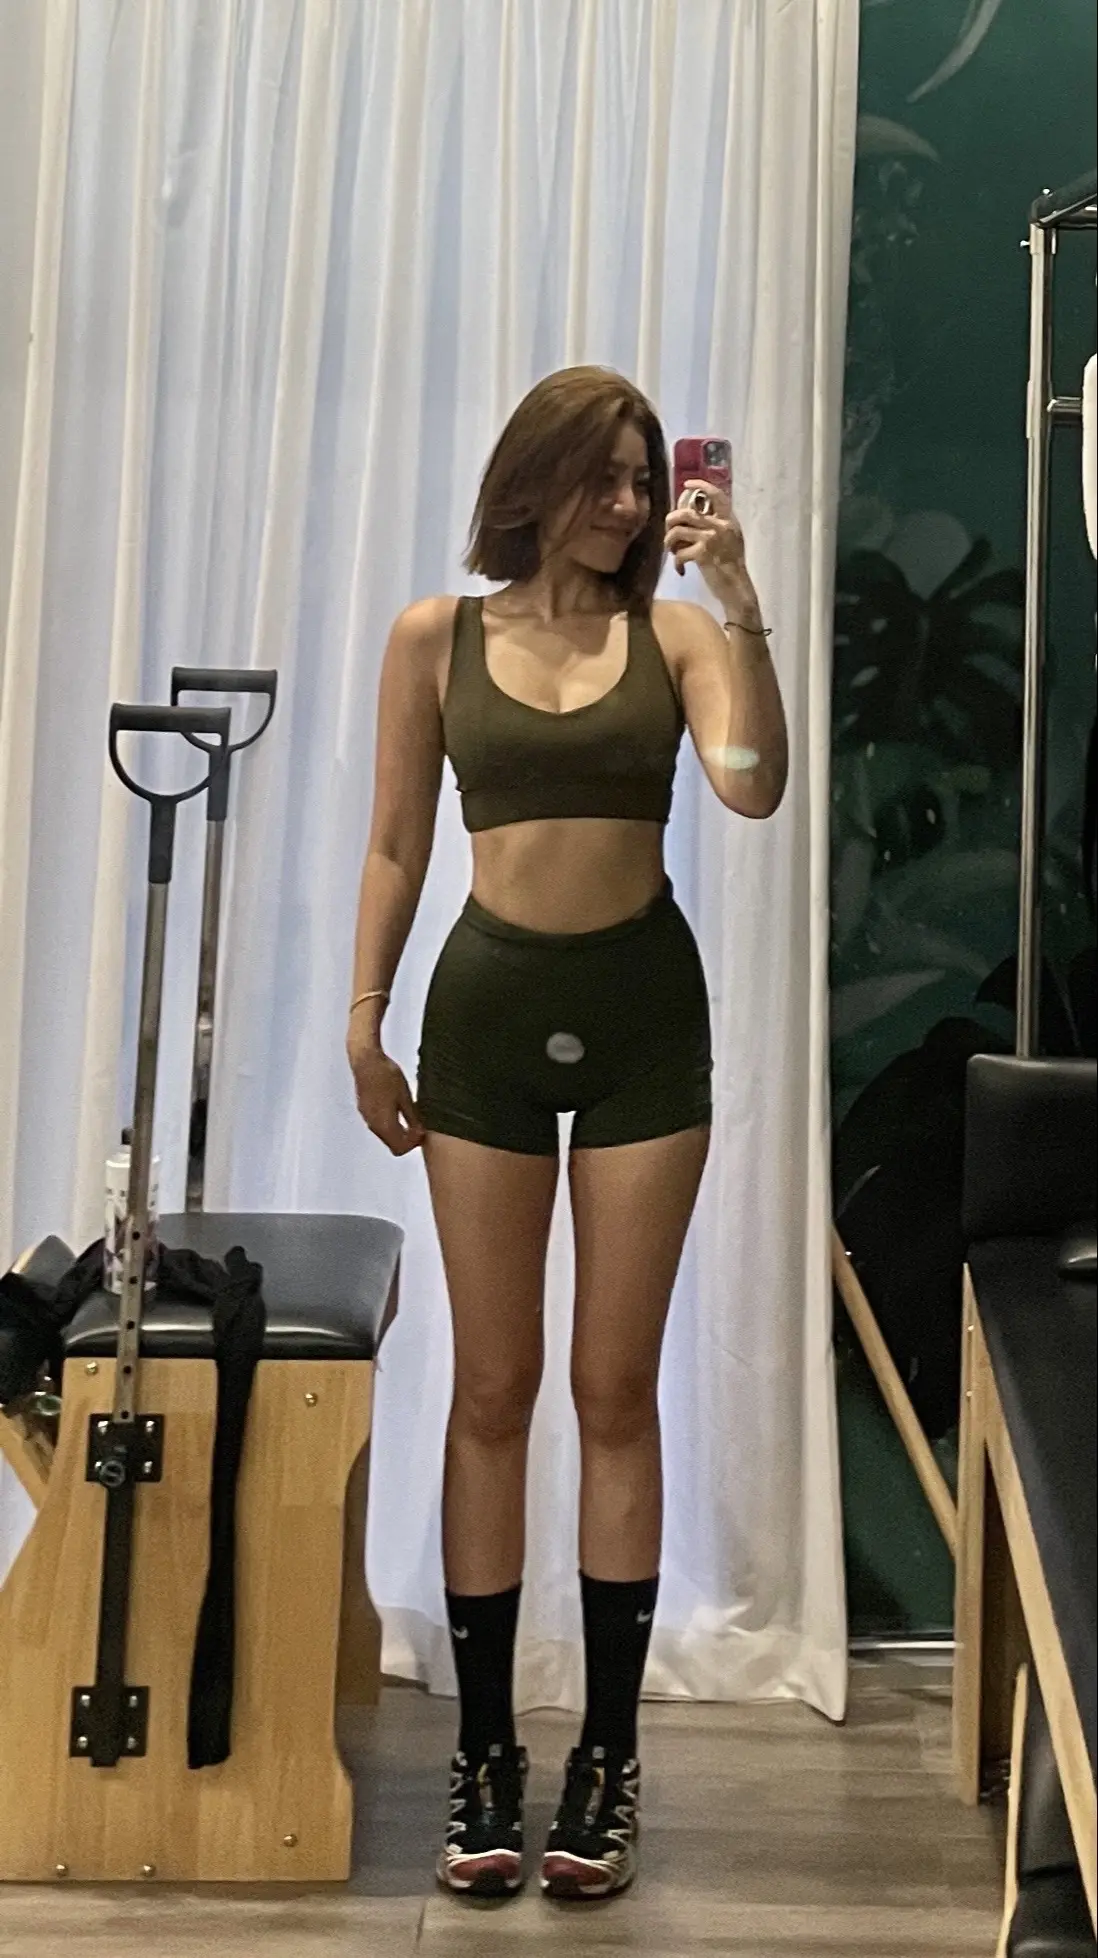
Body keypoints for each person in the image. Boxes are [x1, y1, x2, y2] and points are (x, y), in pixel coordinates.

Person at [346, 366, 787, 1902]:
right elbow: (395, 838)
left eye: (641, 476)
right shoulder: (434, 636)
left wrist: (740, 607)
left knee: (611, 1388)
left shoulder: (675, 634)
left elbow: (749, 789)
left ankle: (605, 1755)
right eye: (600, 474)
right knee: (490, 1385)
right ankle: (483, 1753)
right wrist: (363, 1015)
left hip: (641, 1019)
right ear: (529, 480)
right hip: (480, 1015)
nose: (625, 502)